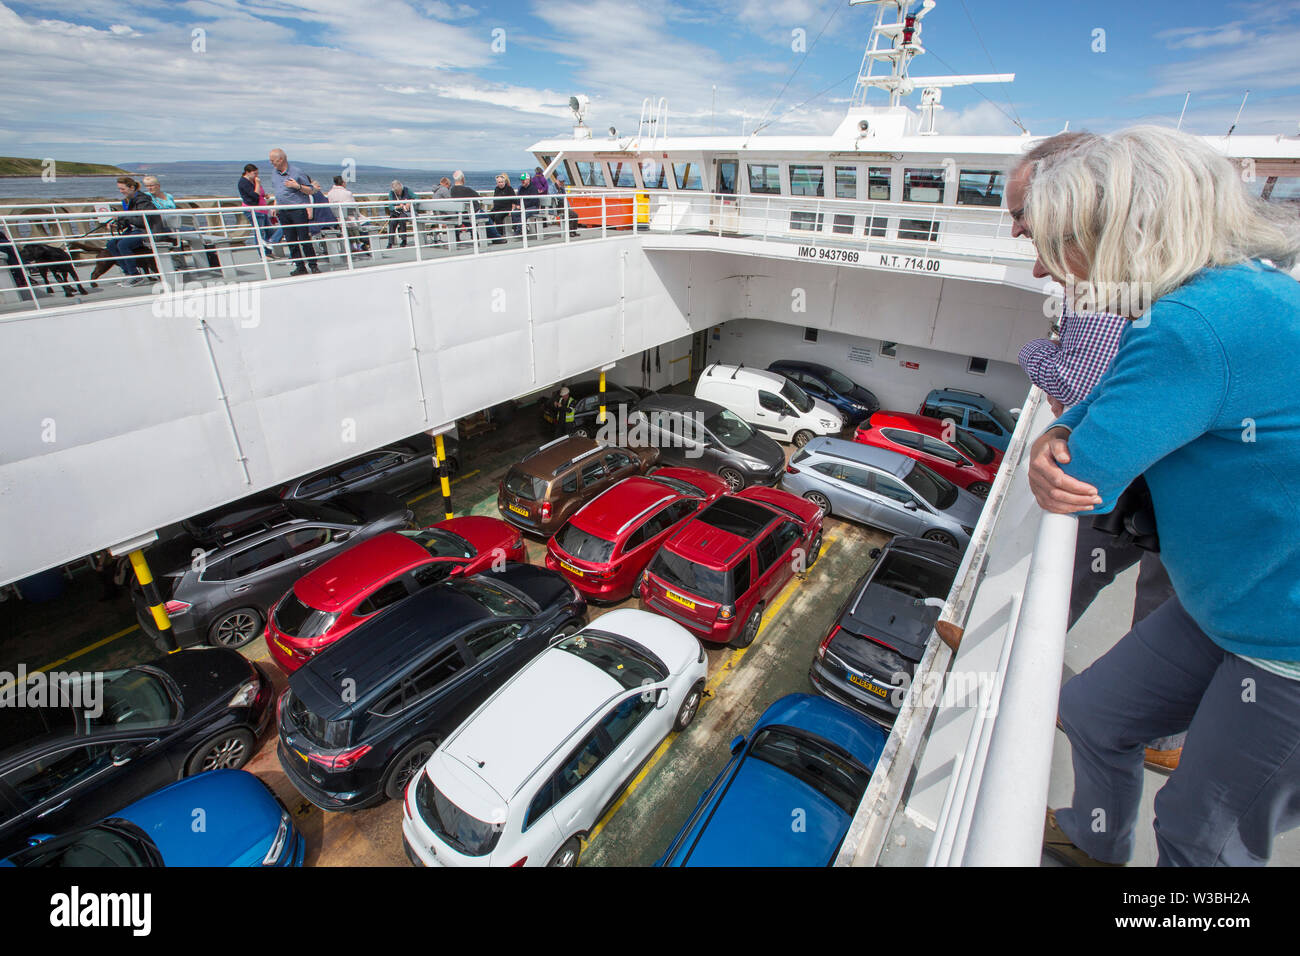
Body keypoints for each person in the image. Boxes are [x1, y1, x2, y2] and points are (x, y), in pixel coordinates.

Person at [1023, 125, 1300, 867]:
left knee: (1201, 837)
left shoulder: (1191, 326)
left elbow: (1085, 481)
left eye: (1058, 242)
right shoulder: (1244, 290)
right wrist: (1071, 427)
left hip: (1282, 637)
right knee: (1093, 712)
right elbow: (1111, 404)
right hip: (1229, 602)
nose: (1048, 267)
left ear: (1122, 230)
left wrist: (1048, 455)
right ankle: (1094, 843)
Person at [1008, 133, 1183, 774]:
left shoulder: (1123, 287)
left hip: (1180, 497)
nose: (1031, 256)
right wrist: (1064, 430)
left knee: (1163, 602)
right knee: (1112, 577)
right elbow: (1105, 388)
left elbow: (1084, 382)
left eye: (1031, 225)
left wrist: (1034, 356)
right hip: (1156, 484)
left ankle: (1150, 725)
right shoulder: (1149, 277)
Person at [267, 148, 319, 275]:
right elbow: (278, 192)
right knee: (291, 240)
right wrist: (275, 205)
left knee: (303, 239)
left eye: (273, 160)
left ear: (281, 159)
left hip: (298, 210)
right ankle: (300, 267)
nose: (271, 163)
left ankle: (313, 265)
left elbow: (312, 190)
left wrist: (297, 186)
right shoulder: (274, 173)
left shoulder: (296, 172)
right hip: (283, 211)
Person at [105, 176, 159, 286]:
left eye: (122, 189)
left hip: (146, 231)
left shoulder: (143, 200)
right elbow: (130, 219)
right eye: (119, 189)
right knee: (111, 244)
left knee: (123, 244)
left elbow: (144, 221)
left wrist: (124, 217)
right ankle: (129, 273)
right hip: (136, 230)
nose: (121, 192)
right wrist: (118, 223)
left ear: (132, 188)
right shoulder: (131, 200)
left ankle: (135, 275)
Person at [238, 163, 272, 249]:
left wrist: (264, 195)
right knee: (259, 232)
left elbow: (259, 193)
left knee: (269, 231)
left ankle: (268, 252)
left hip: (262, 209)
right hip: (253, 210)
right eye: (254, 173)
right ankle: (262, 254)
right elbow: (254, 195)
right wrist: (257, 183)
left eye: (257, 173)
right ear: (247, 172)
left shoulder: (252, 181)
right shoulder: (243, 182)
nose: (256, 176)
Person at [449, 170, 486, 245]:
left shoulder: (451, 190)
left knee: (467, 217)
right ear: (463, 179)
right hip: (467, 215)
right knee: (484, 215)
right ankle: (496, 237)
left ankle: (461, 236)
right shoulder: (467, 190)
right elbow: (479, 198)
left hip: (458, 214)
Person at [386, 180, 414, 249]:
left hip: (405, 212)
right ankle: (390, 242)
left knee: (402, 219)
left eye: (399, 191)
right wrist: (398, 206)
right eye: (397, 192)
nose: (398, 193)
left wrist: (409, 203)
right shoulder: (391, 193)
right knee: (392, 222)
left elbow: (416, 197)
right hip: (396, 212)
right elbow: (390, 206)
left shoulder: (407, 190)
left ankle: (404, 240)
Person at [549, 171, 578, 237]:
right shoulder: (551, 187)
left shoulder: (562, 189)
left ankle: (573, 231)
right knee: (571, 215)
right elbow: (552, 196)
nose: (561, 183)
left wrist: (569, 206)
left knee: (575, 214)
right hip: (556, 207)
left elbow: (565, 198)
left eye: (562, 182)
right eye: (560, 181)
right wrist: (561, 197)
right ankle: (570, 232)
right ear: (556, 180)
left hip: (563, 206)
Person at [490, 173, 515, 241]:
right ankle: (490, 233)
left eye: (502, 182)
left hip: (506, 208)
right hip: (497, 208)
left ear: (504, 182)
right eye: (499, 182)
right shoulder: (496, 189)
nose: (501, 184)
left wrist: (511, 210)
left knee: (497, 217)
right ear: (497, 183)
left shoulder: (509, 189)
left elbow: (514, 201)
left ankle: (500, 234)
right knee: (489, 216)